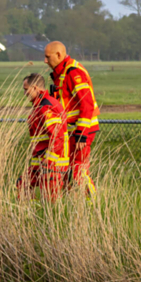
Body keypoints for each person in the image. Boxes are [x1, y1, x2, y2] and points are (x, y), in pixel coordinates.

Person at [44, 41, 100, 197]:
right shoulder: (62, 72)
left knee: (78, 171)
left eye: (48, 57)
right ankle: (74, 205)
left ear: (59, 55)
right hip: (71, 132)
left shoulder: (74, 72)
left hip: (81, 132)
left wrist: (81, 133)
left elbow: (87, 104)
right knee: (69, 171)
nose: (45, 61)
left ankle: (93, 203)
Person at [16, 73, 68, 200]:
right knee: (22, 185)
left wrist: (49, 161)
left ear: (35, 88)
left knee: (51, 200)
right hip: (40, 161)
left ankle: (48, 218)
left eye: (26, 89)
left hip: (52, 163)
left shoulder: (46, 107)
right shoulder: (40, 105)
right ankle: (31, 216)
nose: (24, 93)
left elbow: (58, 137)